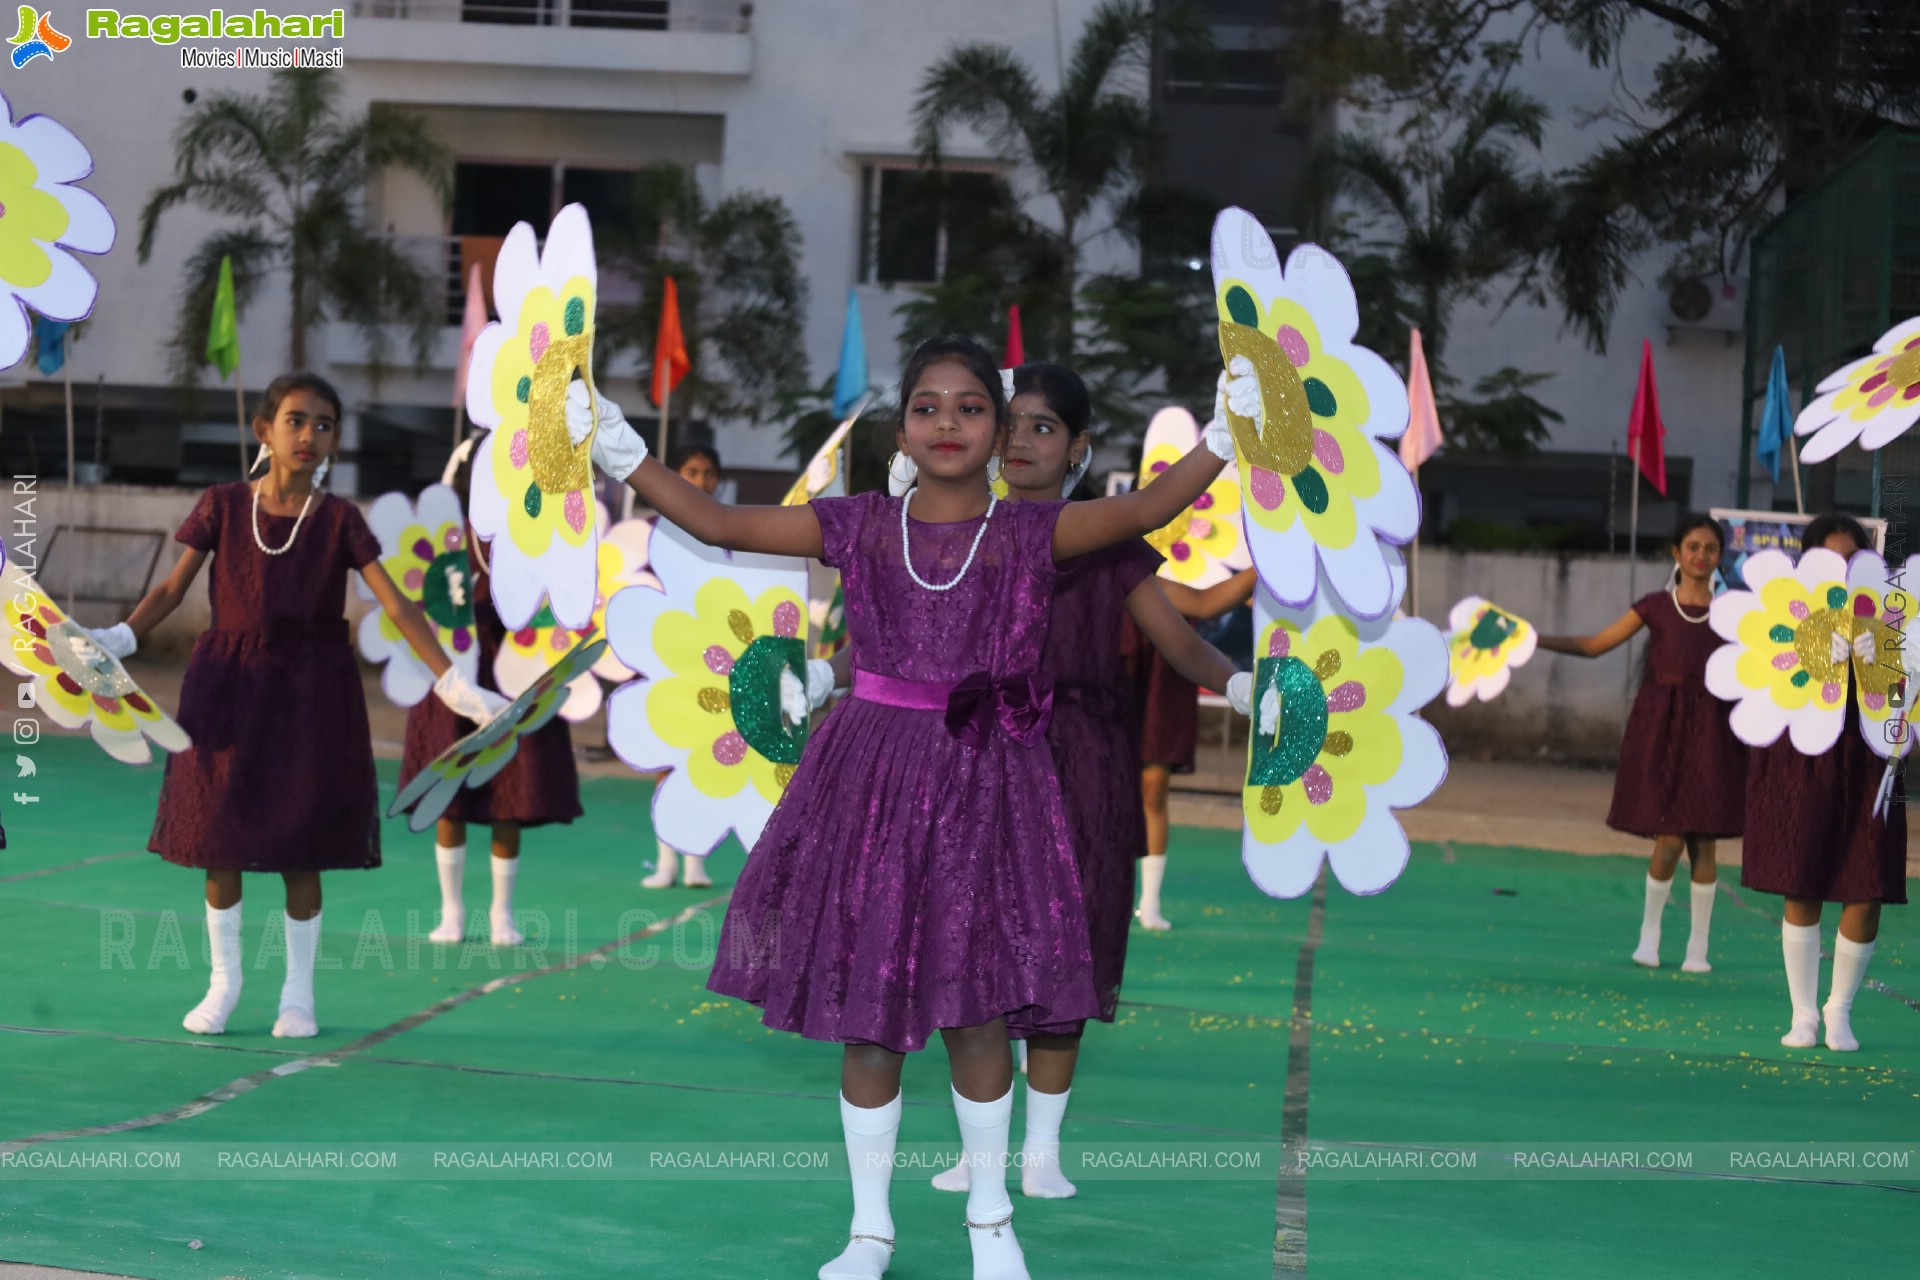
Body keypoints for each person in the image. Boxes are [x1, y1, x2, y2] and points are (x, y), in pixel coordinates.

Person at [569, 335, 1255, 1280]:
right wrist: (621, 452)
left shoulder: (1027, 534)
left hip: (988, 784)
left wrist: (1227, 435)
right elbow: (721, 522)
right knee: (869, 1010)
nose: (948, 423)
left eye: (972, 408)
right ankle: (867, 1233)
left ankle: (990, 1222)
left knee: (976, 1012)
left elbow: (1146, 507)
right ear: (904, 427)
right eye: (928, 406)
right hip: (868, 785)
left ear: (1000, 429)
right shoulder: (857, 524)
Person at [926, 362, 1253, 1202]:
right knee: (974, 952)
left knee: (1072, 949)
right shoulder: (953, 530)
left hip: (1081, 765)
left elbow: (1181, 644)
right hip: (977, 759)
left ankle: (1042, 1152)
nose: (1022, 440)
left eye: (1044, 427)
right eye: (1012, 424)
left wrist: (1243, 685)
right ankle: (979, 1147)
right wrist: (831, 677)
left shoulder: (1105, 545)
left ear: (1078, 448)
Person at [94, 374, 506, 1038]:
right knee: (217, 840)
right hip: (225, 691)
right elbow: (172, 589)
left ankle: (298, 997)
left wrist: (450, 681)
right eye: (295, 420)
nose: (308, 435)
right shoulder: (223, 505)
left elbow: (397, 604)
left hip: (310, 696)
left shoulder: (341, 520)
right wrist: (118, 637)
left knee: (300, 848)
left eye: (323, 425)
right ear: (264, 430)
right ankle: (223, 986)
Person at [1537, 514, 1745, 971]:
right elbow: (1594, 645)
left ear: (1719, 557)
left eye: (1710, 548)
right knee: (1669, 837)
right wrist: (1532, 639)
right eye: (1692, 546)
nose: (1701, 556)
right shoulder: (1653, 606)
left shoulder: (1735, 613)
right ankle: (1649, 936)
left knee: (1705, 841)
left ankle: (1698, 949)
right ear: (1676, 553)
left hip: (1714, 731)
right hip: (1662, 730)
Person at [401, 434, 582, 946]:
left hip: (517, 674)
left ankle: (502, 913)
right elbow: (418, 601)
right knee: (450, 788)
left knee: (511, 793)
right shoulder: (443, 540)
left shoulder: (537, 539)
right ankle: (451, 911)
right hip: (455, 674)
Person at [1740, 513, 1905, 1051]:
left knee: (1868, 880)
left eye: (1852, 561)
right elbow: (1760, 680)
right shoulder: (1786, 619)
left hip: (1870, 759)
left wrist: (1897, 710)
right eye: (1830, 562)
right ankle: (1803, 1014)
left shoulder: (1886, 622)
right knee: (1801, 876)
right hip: (1801, 758)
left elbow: (1907, 690)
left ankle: (1840, 1012)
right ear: (1807, 565)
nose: (1842, 571)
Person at [644, 439, 728, 889]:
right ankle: (665, 860)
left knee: (706, 761)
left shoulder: (733, 531)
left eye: (708, 473)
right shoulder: (653, 530)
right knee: (663, 758)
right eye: (692, 471)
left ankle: (696, 859)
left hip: (713, 661)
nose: (701, 481)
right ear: (675, 475)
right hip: (664, 659)